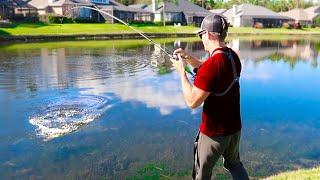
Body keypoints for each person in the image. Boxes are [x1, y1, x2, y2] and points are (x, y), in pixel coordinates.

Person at [170, 14, 249, 180]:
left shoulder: (213, 65)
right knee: (234, 164)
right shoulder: (232, 56)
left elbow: (192, 101)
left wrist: (181, 72)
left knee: (201, 174)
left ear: (209, 34)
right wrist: (188, 58)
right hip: (234, 129)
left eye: (201, 34)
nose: (201, 38)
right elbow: (209, 70)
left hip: (213, 134)